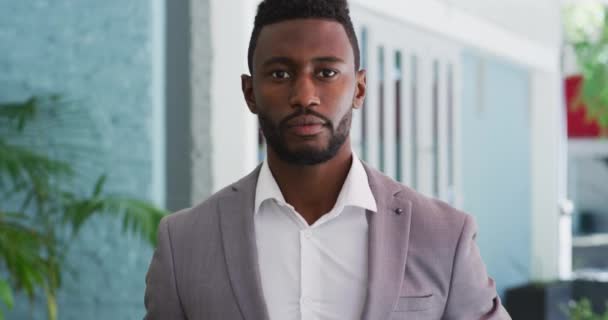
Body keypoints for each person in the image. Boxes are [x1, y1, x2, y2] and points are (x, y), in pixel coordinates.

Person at [144, 0, 511, 319]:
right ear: (250, 92)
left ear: (360, 88)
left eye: (326, 73)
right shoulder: (185, 243)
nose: (305, 96)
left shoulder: (444, 236)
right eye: (280, 73)